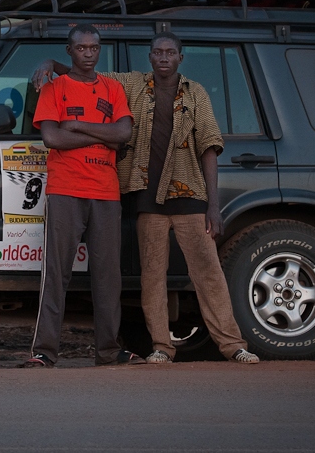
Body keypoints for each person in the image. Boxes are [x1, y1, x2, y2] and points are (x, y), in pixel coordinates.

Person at [33, 31, 260, 365]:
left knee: (205, 273)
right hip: (144, 198)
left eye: (170, 52)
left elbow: (204, 145)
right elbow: (76, 87)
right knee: (150, 278)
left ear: (181, 57)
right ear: (150, 56)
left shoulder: (193, 93)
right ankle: (160, 348)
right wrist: (51, 63)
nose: (164, 58)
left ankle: (232, 346)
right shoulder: (132, 84)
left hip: (186, 194)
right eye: (157, 52)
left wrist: (214, 204)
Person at [23, 23, 144, 368]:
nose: (88, 54)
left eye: (94, 48)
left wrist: (76, 126)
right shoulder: (54, 87)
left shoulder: (113, 88)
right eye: (81, 48)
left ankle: (107, 351)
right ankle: (45, 351)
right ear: (69, 51)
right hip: (65, 190)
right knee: (56, 274)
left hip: (106, 192)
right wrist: (102, 137)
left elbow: (123, 133)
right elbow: (52, 139)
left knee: (108, 277)